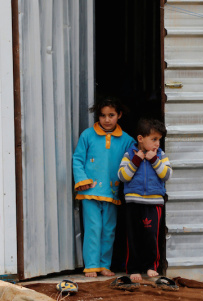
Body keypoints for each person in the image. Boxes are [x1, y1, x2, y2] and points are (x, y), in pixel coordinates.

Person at [73, 97, 135, 277]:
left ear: (119, 115)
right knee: (93, 228)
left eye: (111, 115)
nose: (107, 120)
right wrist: (82, 180)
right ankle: (91, 265)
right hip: (90, 191)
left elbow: (132, 164)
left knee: (109, 230)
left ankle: (104, 265)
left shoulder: (127, 140)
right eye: (102, 115)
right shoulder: (87, 135)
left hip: (112, 191)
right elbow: (78, 159)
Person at [117, 118, 172, 281]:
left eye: (159, 140)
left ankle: (150, 266)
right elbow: (123, 176)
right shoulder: (130, 154)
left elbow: (167, 174)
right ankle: (133, 268)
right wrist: (138, 159)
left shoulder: (161, 155)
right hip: (133, 203)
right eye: (154, 139)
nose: (157, 144)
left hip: (153, 204)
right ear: (140, 139)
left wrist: (154, 159)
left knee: (151, 237)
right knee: (132, 237)